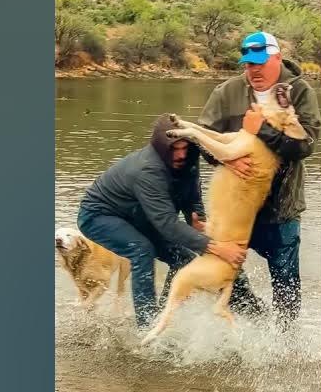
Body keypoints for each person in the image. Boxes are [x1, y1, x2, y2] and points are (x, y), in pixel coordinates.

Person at [198, 31, 321, 328]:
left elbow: (305, 146)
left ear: (277, 58)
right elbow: (202, 141)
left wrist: (261, 131)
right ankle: (256, 321)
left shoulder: (300, 92)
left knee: (286, 283)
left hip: (281, 209)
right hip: (236, 209)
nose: (253, 70)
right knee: (224, 273)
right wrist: (225, 157)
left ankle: (284, 342)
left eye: (259, 63)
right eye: (248, 64)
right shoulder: (226, 92)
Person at [77, 114, 247, 329]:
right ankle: (146, 325)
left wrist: (198, 219)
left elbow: (192, 198)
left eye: (185, 148)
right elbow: (166, 224)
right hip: (100, 215)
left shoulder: (189, 160)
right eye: (174, 149)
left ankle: (166, 317)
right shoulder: (148, 170)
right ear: (160, 147)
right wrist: (217, 247)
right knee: (142, 250)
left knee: (184, 258)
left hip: (141, 214)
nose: (181, 155)